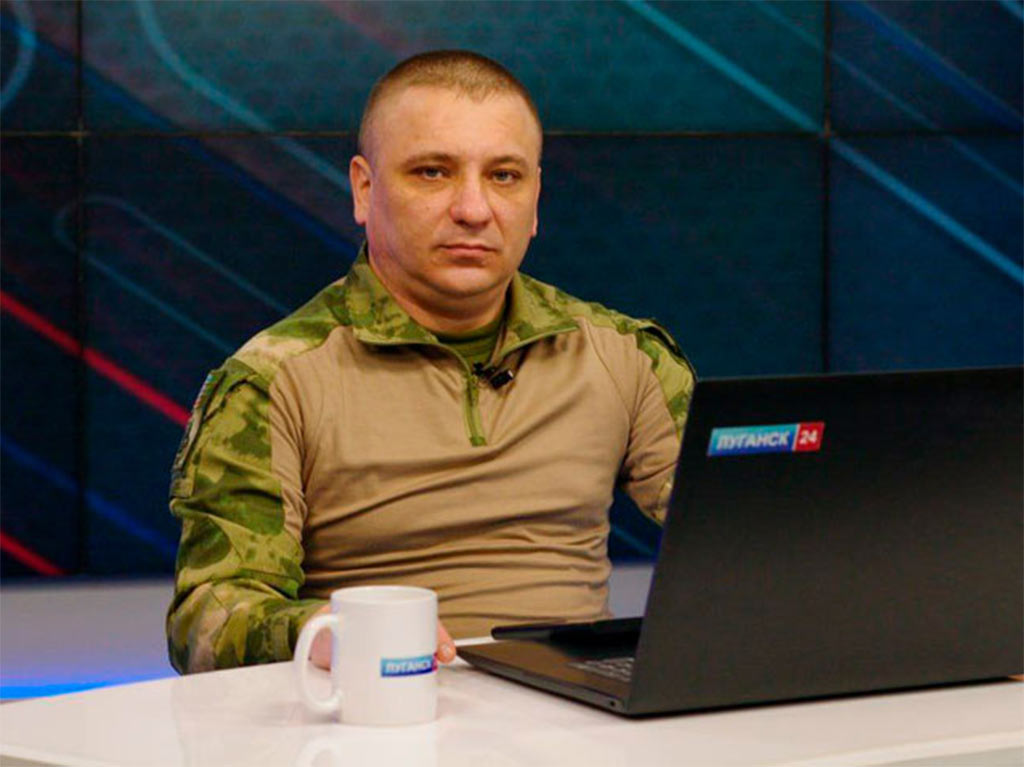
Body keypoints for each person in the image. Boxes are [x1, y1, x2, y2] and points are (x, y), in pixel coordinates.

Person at [166, 50, 695, 674]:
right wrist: (324, 632)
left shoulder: (624, 356)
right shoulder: (274, 381)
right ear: (364, 189)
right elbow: (207, 619)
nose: (474, 209)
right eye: (433, 172)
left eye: (504, 176)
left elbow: (753, 530)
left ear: (535, 199)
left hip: (578, 712)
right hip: (382, 706)